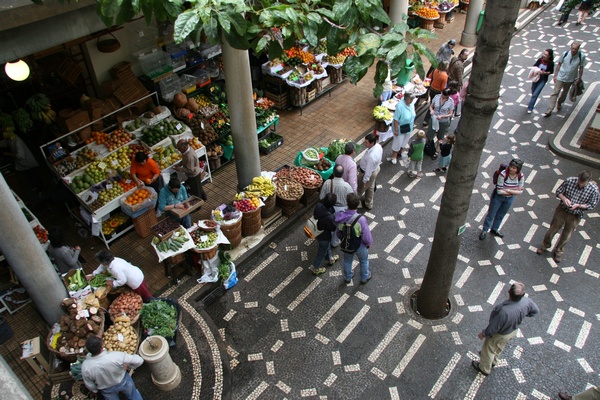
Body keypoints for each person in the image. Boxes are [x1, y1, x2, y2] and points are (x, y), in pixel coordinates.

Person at [472, 282, 539, 376]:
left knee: (488, 349)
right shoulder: (527, 302)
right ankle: (493, 361)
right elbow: (535, 311)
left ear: (509, 291)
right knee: (499, 347)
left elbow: (493, 327)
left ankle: (484, 368)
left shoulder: (504, 311)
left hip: (500, 334)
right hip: (512, 331)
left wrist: (484, 333)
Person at [536, 171, 599, 263]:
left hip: (575, 214)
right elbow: (558, 191)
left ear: (589, 181)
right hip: (562, 210)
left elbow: (591, 205)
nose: (580, 184)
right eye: (579, 182)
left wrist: (579, 206)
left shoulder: (594, 190)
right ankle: (544, 245)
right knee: (552, 229)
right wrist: (564, 199)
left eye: (583, 183)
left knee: (567, 234)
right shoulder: (570, 181)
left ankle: (559, 251)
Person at [82, 335, 144, 400]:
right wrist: (130, 366)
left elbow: (89, 384)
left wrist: (95, 390)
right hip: (123, 381)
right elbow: (139, 361)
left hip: (106, 389)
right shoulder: (115, 356)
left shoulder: (85, 366)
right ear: (102, 346)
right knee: (133, 396)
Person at [479, 159, 524, 240]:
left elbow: (520, 191)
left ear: (518, 169)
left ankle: (494, 229)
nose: (511, 169)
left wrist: (508, 190)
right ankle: (484, 230)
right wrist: (514, 192)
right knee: (491, 214)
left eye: (514, 168)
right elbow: (499, 191)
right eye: (511, 167)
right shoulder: (503, 174)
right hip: (498, 198)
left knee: (501, 215)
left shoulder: (521, 176)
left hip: (509, 199)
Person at [335, 193, 373, 284]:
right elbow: (366, 235)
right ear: (358, 204)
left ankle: (348, 277)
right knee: (364, 261)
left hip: (347, 244)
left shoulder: (341, 217)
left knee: (347, 261)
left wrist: (342, 239)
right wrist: (368, 243)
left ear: (347, 203)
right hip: (360, 245)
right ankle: (364, 277)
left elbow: (338, 232)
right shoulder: (361, 219)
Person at [543, 42, 585, 117]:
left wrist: (579, 77)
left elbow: (581, 67)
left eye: (575, 49)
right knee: (555, 92)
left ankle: (560, 102)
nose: (573, 50)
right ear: (570, 47)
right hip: (561, 76)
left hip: (570, 78)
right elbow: (559, 64)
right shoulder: (565, 54)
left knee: (564, 93)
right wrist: (555, 75)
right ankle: (550, 109)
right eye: (572, 48)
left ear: (578, 49)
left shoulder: (581, 56)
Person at [309, 193, 339, 275]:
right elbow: (333, 228)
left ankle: (330, 259)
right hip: (324, 236)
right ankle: (316, 268)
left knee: (326, 246)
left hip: (316, 231)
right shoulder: (329, 217)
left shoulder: (318, 205)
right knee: (321, 252)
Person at [426, 88, 455, 159]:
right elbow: (431, 106)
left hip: (443, 122)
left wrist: (442, 116)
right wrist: (432, 111)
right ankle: (427, 147)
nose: (443, 97)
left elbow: (451, 113)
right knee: (429, 134)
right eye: (442, 95)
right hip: (434, 119)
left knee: (440, 137)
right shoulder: (437, 97)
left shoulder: (451, 102)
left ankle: (437, 151)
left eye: (445, 96)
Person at [357, 133, 382, 210]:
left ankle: (356, 203)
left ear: (372, 143)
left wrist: (364, 181)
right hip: (375, 169)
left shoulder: (371, 157)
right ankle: (369, 203)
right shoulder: (378, 146)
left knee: (359, 190)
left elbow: (368, 170)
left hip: (367, 173)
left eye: (366, 142)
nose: (365, 143)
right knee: (370, 187)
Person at [390, 92, 416, 165]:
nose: (412, 101)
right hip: (400, 128)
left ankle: (400, 151)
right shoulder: (400, 106)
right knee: (397, 142)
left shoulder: (411, 104)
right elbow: (396, 119)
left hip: (409, 127)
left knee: (404, 141)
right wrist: (396, 130)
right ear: (406, 99)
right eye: (411, 99)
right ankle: (394, 157)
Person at [527, 49, 555, 114]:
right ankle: (532, 100)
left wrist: (544, 73)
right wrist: (537, 70)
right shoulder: (540, 60)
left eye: (546, 55)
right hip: (536, 77)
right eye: (544, 54)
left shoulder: (551, 63)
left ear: (549, 56)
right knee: (533, 90)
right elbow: (534, 66)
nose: (544, 56)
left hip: (543, 79)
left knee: (535, 94)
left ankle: (530, 107)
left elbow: (551, 71)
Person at [423, 61, 449, 128]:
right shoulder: (445, 76)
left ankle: (428, 120)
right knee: (434, 106)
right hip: (438, 92)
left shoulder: (435, 70)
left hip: (432, 90)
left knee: (432, 103)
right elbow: (443, 88)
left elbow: (429, 76)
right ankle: (427, 120)